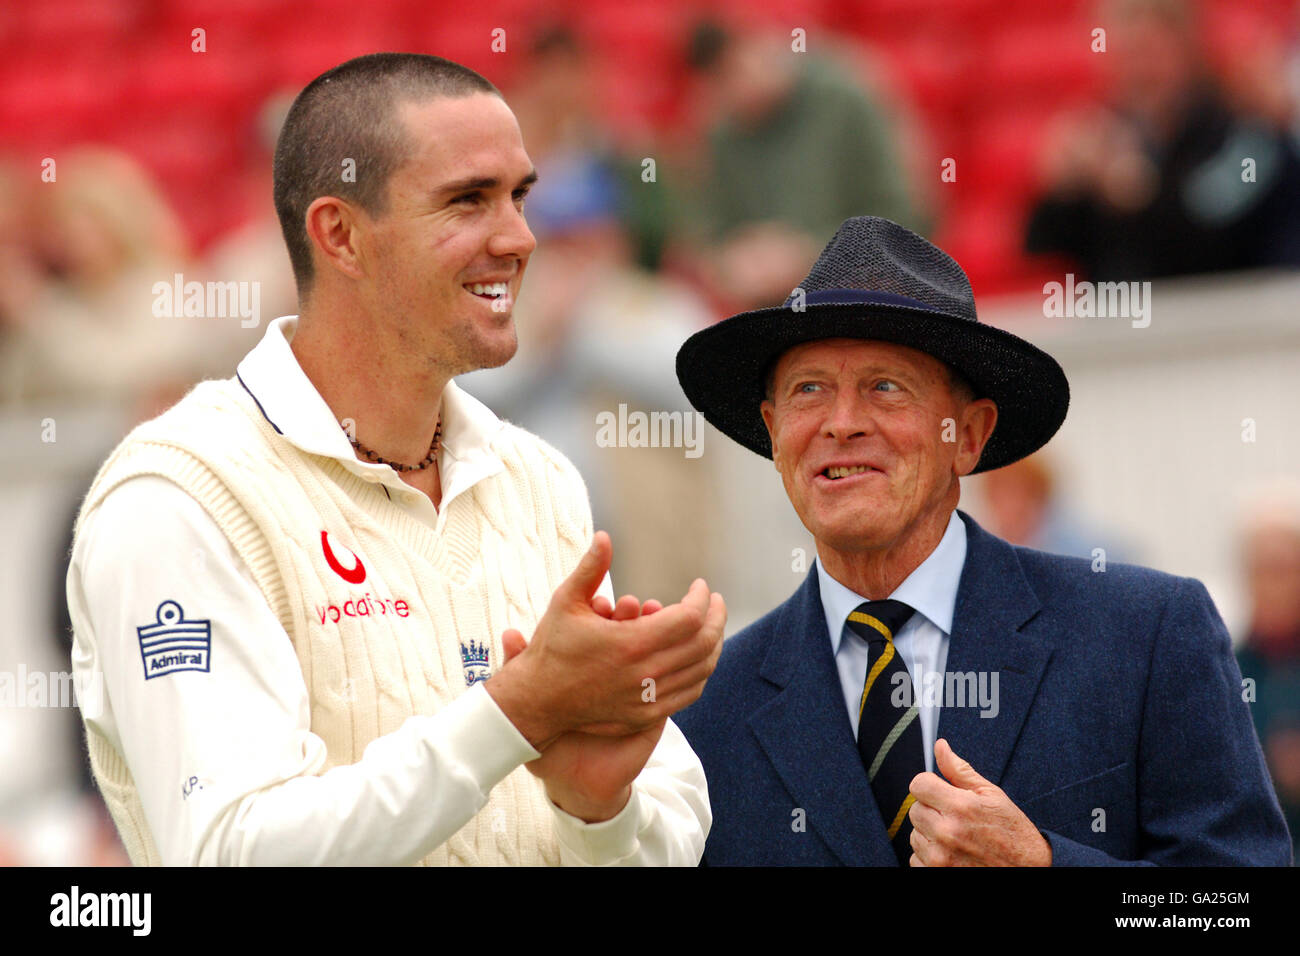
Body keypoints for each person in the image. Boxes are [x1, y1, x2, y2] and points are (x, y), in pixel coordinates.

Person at [65, 53, 725, 866]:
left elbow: (677, 832)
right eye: (467, 201)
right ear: (340, 234)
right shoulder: (177, 499)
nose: (520, 238)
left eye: (520, 196)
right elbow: (232, 850)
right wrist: (512, 714)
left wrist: (598, 810)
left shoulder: (538, 480)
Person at [673, 215, 1291, 866]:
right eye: (809, 390)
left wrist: (1045, 865)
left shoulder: (1148, 636)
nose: (842, 422)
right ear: (774, 433)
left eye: (885, 386)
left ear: (968, 436)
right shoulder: (704, 715)